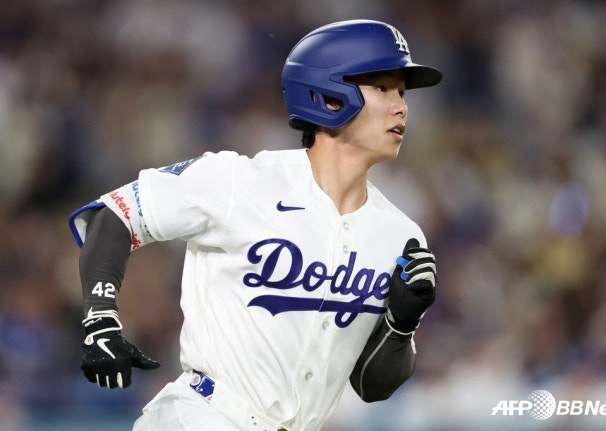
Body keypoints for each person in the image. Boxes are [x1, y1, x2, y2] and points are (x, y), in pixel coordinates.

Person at [69, 19, 441, 431]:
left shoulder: (399, 234)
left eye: (403, 93)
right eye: (383, 88)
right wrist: (101, 317)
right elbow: (115, 213)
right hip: (204, 417)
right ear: (331, 96)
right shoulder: (239, 180)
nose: (401, 106)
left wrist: (400, 326)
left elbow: (373, 387)